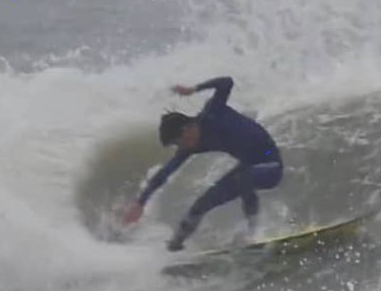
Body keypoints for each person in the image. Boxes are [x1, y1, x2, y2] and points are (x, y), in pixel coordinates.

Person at [121, 76, 283, 251]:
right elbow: (165, 173)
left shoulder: (213, 112)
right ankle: (175, 244)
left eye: (178, 142)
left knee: (243, 177)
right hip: (249, 166)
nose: (179, 148)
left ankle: (253, 233)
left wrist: (194, 89)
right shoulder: (191, 147)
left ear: (186, 131)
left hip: (270, 159)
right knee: (200, 206)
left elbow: (226, 82)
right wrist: (140, 203)